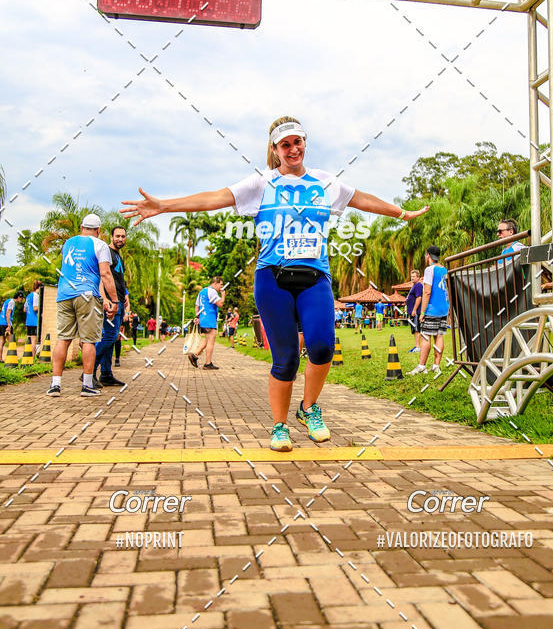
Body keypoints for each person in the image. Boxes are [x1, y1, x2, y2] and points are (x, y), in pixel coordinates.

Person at [121, 116, 428, 451]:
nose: (293, 149)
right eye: (285, 145)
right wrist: (163, 205)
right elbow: (213, 198)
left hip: (316, 278)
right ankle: (279, 426)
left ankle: (309, 408)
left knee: (323, 346)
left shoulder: (326, 183)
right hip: (272, 278)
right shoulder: (261, 183)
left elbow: (362, 199)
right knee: (286, 358)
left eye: (297, 142)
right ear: (275, 149)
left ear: (304, 143)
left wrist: (401, 213)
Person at [46, 213, 117, 397]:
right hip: (87, 296)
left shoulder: (68, 243)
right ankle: (87, 385)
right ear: (99, 231)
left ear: (81, 228)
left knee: (63, 338)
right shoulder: (100, 245)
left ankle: (55, 385)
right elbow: (106, 274)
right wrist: (114, 300)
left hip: (64, 294)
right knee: (88, 341)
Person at [93, 225, 128, 388]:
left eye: (123, 236)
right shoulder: (106, 253)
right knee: (110, 336)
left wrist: (126, 296)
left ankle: (106, 375)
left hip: (119, 301)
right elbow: (102, 277)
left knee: (111, 337)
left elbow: (119, 279)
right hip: (111, 303)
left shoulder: (118, 256)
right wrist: (105, 298)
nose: (120, 239)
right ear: (111, 237)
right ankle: (89, 371)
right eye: (117, 236)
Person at [410, 246, 449, 376]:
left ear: (428, 256)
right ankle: (436, 366)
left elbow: (426, 292)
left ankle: (421, 366)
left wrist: (422, 312)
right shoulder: (444, 269)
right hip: (443, 308)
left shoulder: (429, 269)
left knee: (425, 336)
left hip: (432, 309)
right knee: (439, 335)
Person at [188, 276, 226, 369]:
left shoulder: (202, 291)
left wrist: (197, 316)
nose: (221, 287)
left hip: (203, 318)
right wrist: (223, 295)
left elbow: (197, 305)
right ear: (215, 283)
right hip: (209, 318)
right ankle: (208, 363)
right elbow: (220, 304)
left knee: (207, 339)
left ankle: (195, 354)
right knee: (211, 341)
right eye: (220, 285)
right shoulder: (212, 292)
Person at [0, 291, 25, 362]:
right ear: (18, 297)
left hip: (1, 322)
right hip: (5, 324)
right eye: (21, 298)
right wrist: (9, 325)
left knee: (2, 341)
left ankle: (0, 358)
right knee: (11, 340)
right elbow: (8, 314)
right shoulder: (12, 302)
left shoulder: (8, 300)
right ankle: (11, 358)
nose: (22, 300)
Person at [406, 269, 423, 354]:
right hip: (412, 311)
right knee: (414, 329)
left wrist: (414, 310)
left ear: (418, 277)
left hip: (416, 311)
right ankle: (417, 345)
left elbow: (419, 297)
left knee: (417, 329)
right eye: (411, 276)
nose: (412, 278)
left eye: (413, 276)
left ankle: (418, 347)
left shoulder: (418, 285)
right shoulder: (414, 285)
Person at [24, 281, 41, 358]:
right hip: (34, 321)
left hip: (28, 320)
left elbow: (24, 309)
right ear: (40, 287)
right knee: (33, 340)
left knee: (28, 340)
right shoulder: (36, 295)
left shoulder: (28, 296)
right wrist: (42, 307)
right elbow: (35, 308)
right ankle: (32, 357)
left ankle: (26, 356)